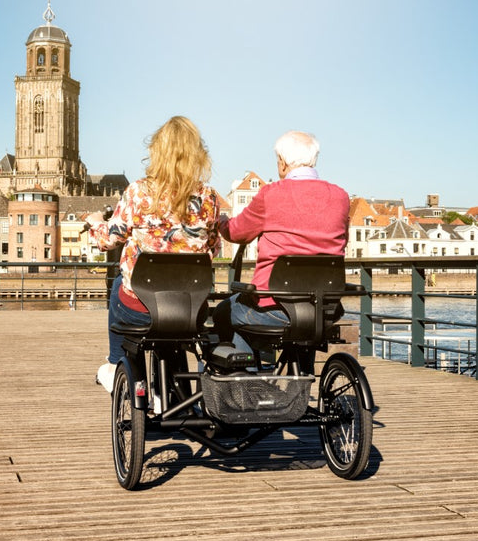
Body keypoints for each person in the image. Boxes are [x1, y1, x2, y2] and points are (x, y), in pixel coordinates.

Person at [86, 116, 222, 393]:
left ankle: (115, 365)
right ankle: (171, 391)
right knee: (172, 325)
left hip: (141, 309)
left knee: (119, 285)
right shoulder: (208, 197)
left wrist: (96, 221)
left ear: (157, 153)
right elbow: (215, 246)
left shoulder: (138, 192)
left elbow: (108, 239)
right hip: (190, 309)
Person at [215, 130, 349, 359]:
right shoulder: (341, 196)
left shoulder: (271, 194)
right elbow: (341, 239)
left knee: (224, 311)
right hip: (322, 309)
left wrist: (222, 222)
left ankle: (245, 381)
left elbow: (236, 233)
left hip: (274, 308)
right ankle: (299, 378)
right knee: (302, 321)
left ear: (284, 162)